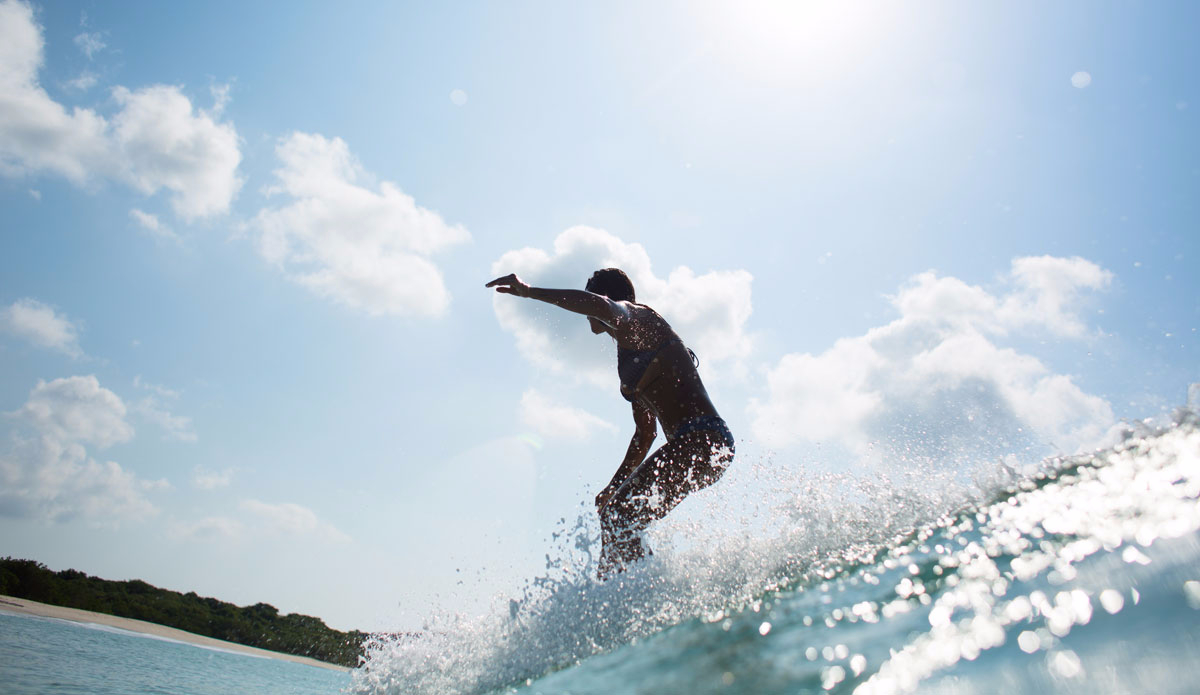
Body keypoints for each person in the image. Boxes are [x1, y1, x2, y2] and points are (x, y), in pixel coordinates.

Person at [487, 268, 735, 578]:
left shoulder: (636, 320)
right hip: (698, 446)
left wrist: (529, 291)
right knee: (618, 516)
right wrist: (613, 486)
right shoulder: (628, 356)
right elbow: (645, 433)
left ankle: (635, 595)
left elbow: (602, 307)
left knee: (619, 516)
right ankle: (620, 588)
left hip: (703, 439)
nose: (587, 308)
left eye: (592, 295)